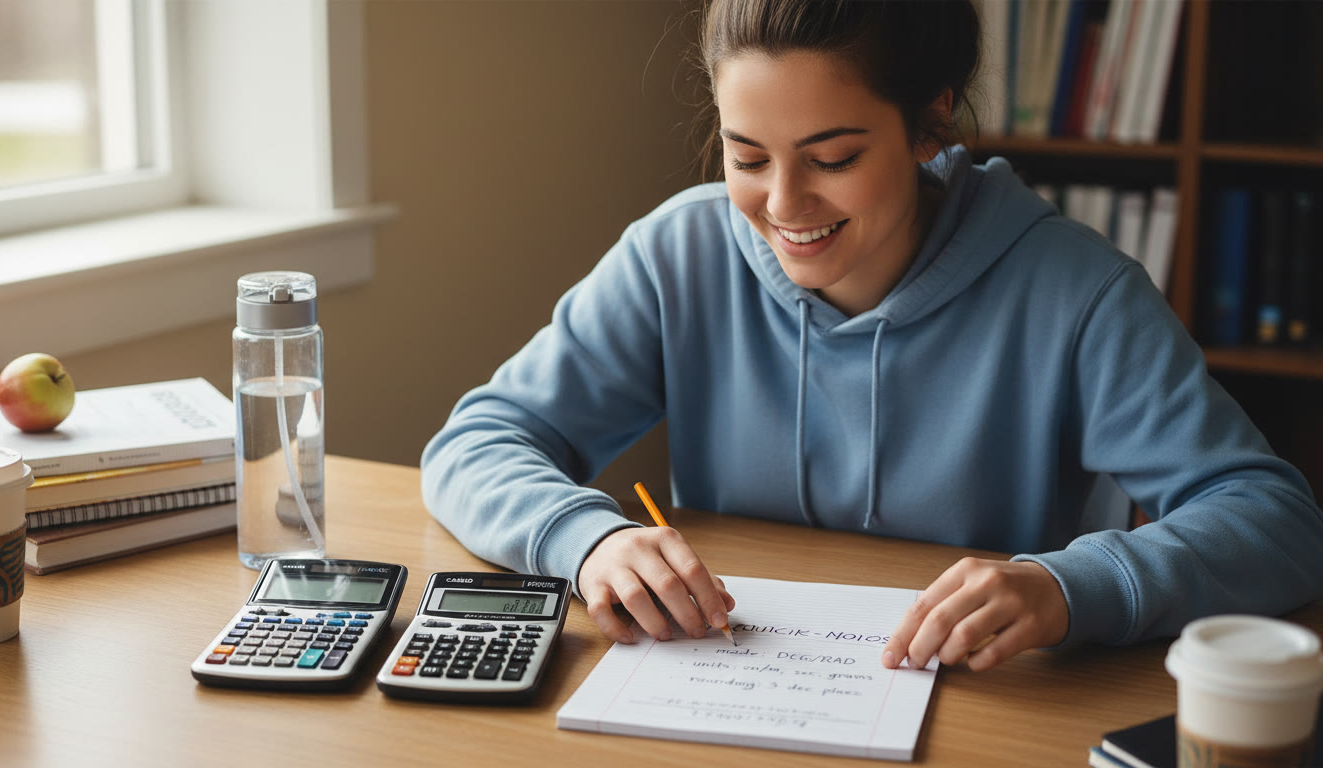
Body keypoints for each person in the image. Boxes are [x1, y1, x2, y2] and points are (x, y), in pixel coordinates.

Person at [421, 0, 1323, 672]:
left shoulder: (1075, 292)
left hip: (979, 711)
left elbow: (1275, 521)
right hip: (727, 695)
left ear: (932, 125)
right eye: (746, 156)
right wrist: (586, 539)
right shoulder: (679, 255)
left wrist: (1065, 587)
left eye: (833, 158)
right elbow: (477, 442)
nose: (782, 206)